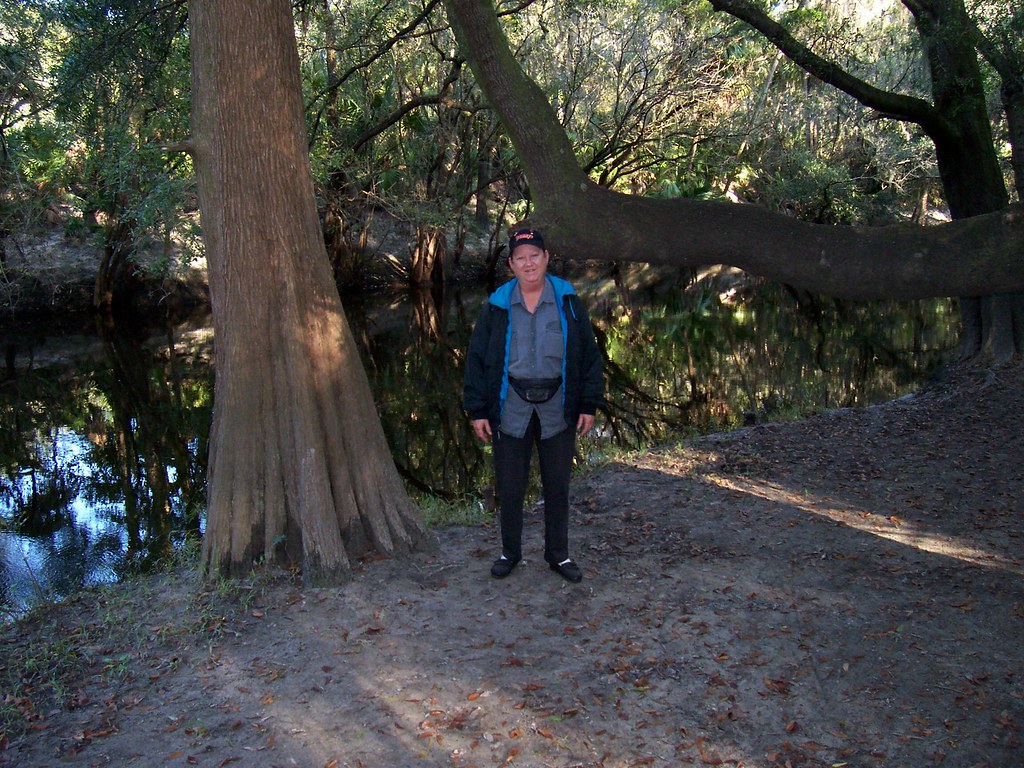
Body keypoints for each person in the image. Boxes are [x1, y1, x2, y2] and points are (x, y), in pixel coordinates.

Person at [463, 227, 604, 582]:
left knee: (558, 486)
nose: (528, 264)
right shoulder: (496, 306)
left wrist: (588, 403)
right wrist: (478, 410)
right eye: (520, 258)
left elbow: (589, 355)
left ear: (546, 258)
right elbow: (477, 358)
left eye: (534, 256)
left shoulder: (568, 301)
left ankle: (559, 555)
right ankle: (509, 552)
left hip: (558, 406)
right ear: (511, 264)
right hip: (510, 407)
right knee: (510, 486)